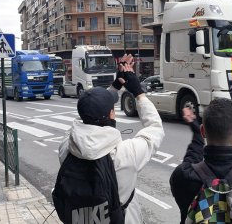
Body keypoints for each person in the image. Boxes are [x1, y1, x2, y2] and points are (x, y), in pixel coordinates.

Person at [57, 54, 165, 223]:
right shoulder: (125, 154)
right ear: (111, 114)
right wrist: (138, 92)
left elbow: (86, 114)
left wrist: (114, 87)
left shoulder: (66, 148)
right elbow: (155, 128)